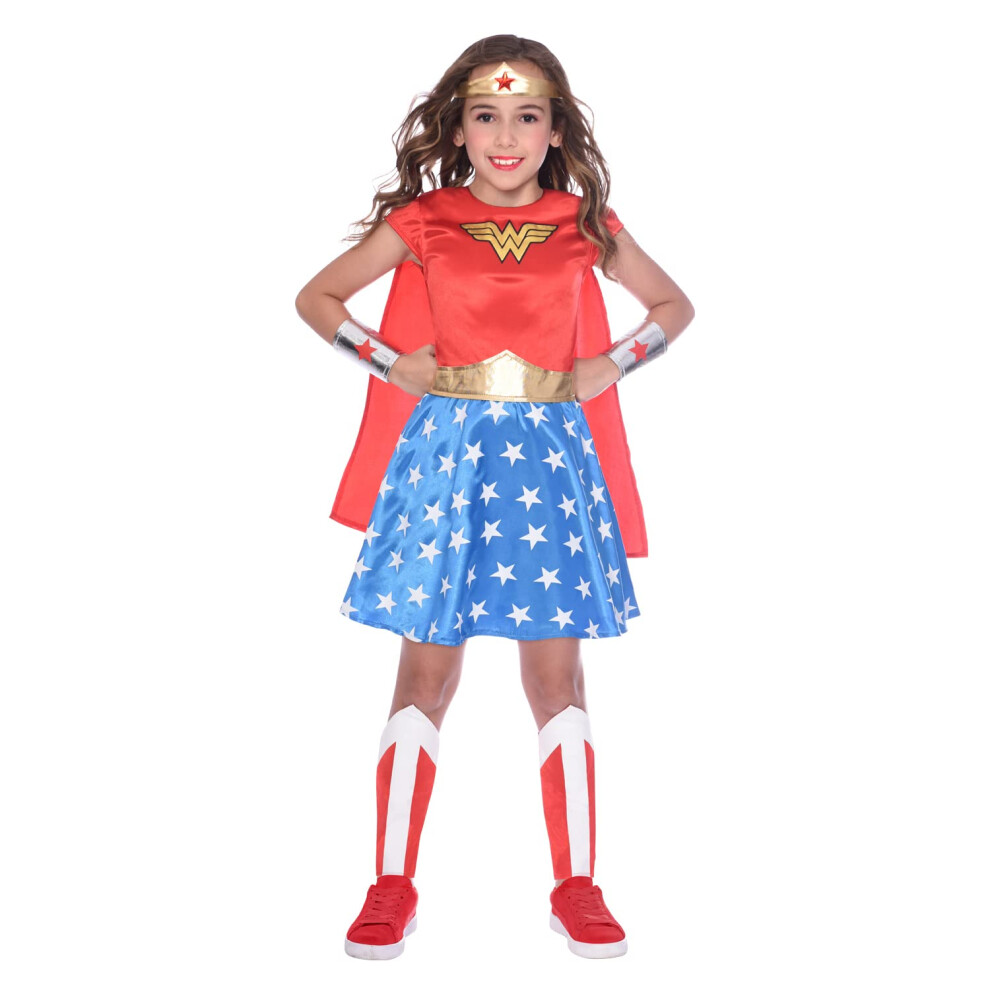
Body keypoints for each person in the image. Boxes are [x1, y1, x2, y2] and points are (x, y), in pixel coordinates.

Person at [295, 34, 694, 961]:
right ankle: (391, 884)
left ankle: (576, 886)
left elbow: (674, 306)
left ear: (555, 130)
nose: (505, 137)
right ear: (458, 128)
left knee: (557, 680)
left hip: (549, 463)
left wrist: (612, 363)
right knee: (423, 678)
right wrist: (389, 360)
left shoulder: (582, 220)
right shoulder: (426, 218)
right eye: (486, 116)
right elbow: (318, 298)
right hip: (447, 460)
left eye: (526, 117)